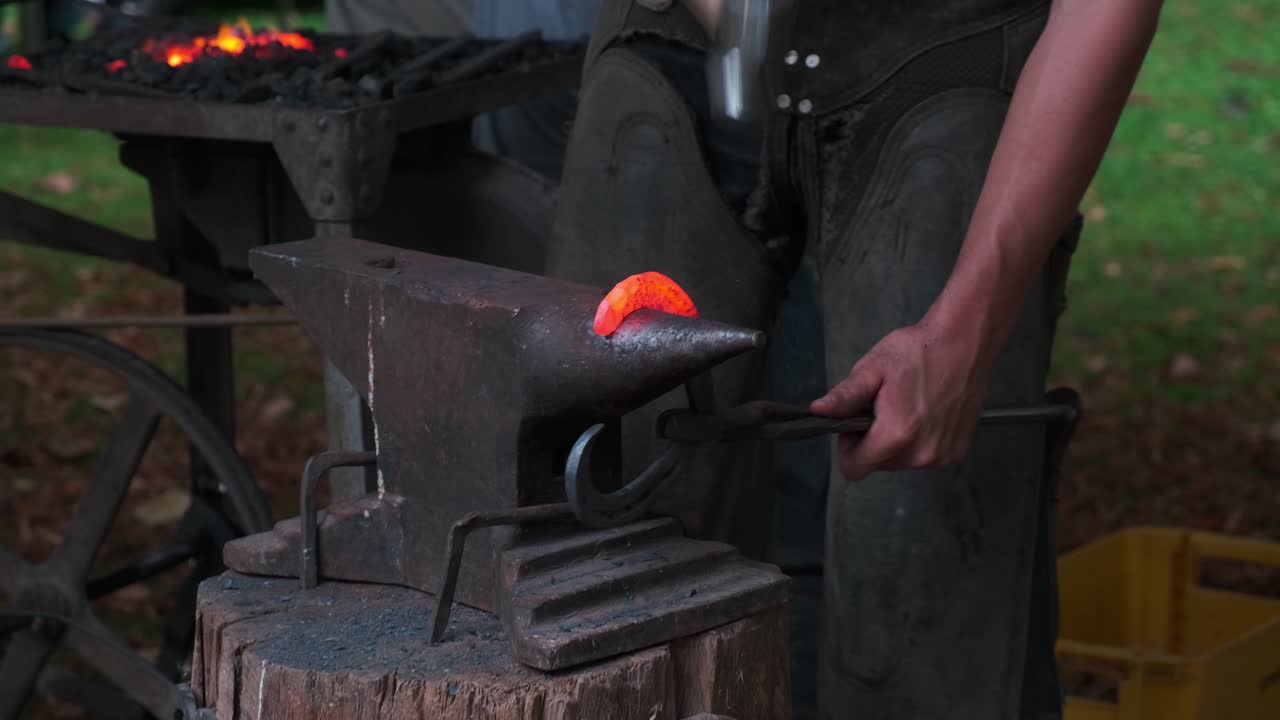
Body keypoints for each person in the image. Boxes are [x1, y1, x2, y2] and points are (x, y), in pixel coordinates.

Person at [546, 1, 1164, 718]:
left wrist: (962, 333)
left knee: (915, 608)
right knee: (607, 596)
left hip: (947, 51)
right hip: (669, 37)